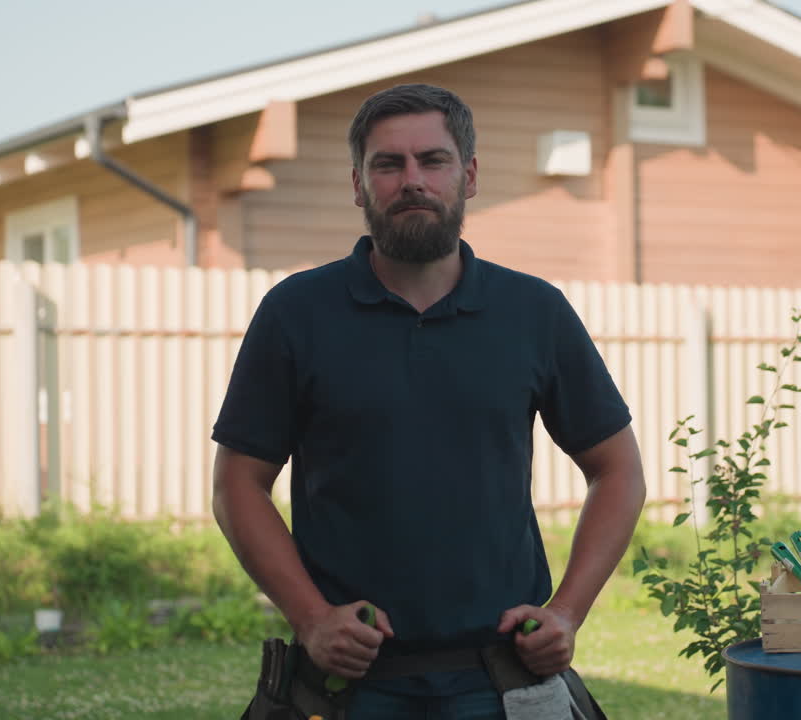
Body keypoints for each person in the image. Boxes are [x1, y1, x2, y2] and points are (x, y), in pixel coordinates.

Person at [212, 83, 645, 719]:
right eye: (388, 164)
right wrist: (311, 618)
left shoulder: (533, 313)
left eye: (433, 160)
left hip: (502, 680)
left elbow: (618, 470)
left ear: (468, 176)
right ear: (359, 185)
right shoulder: (296, 314)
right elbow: (237, 485)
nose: (412, 180)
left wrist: (567, 612)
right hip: (349, 686)